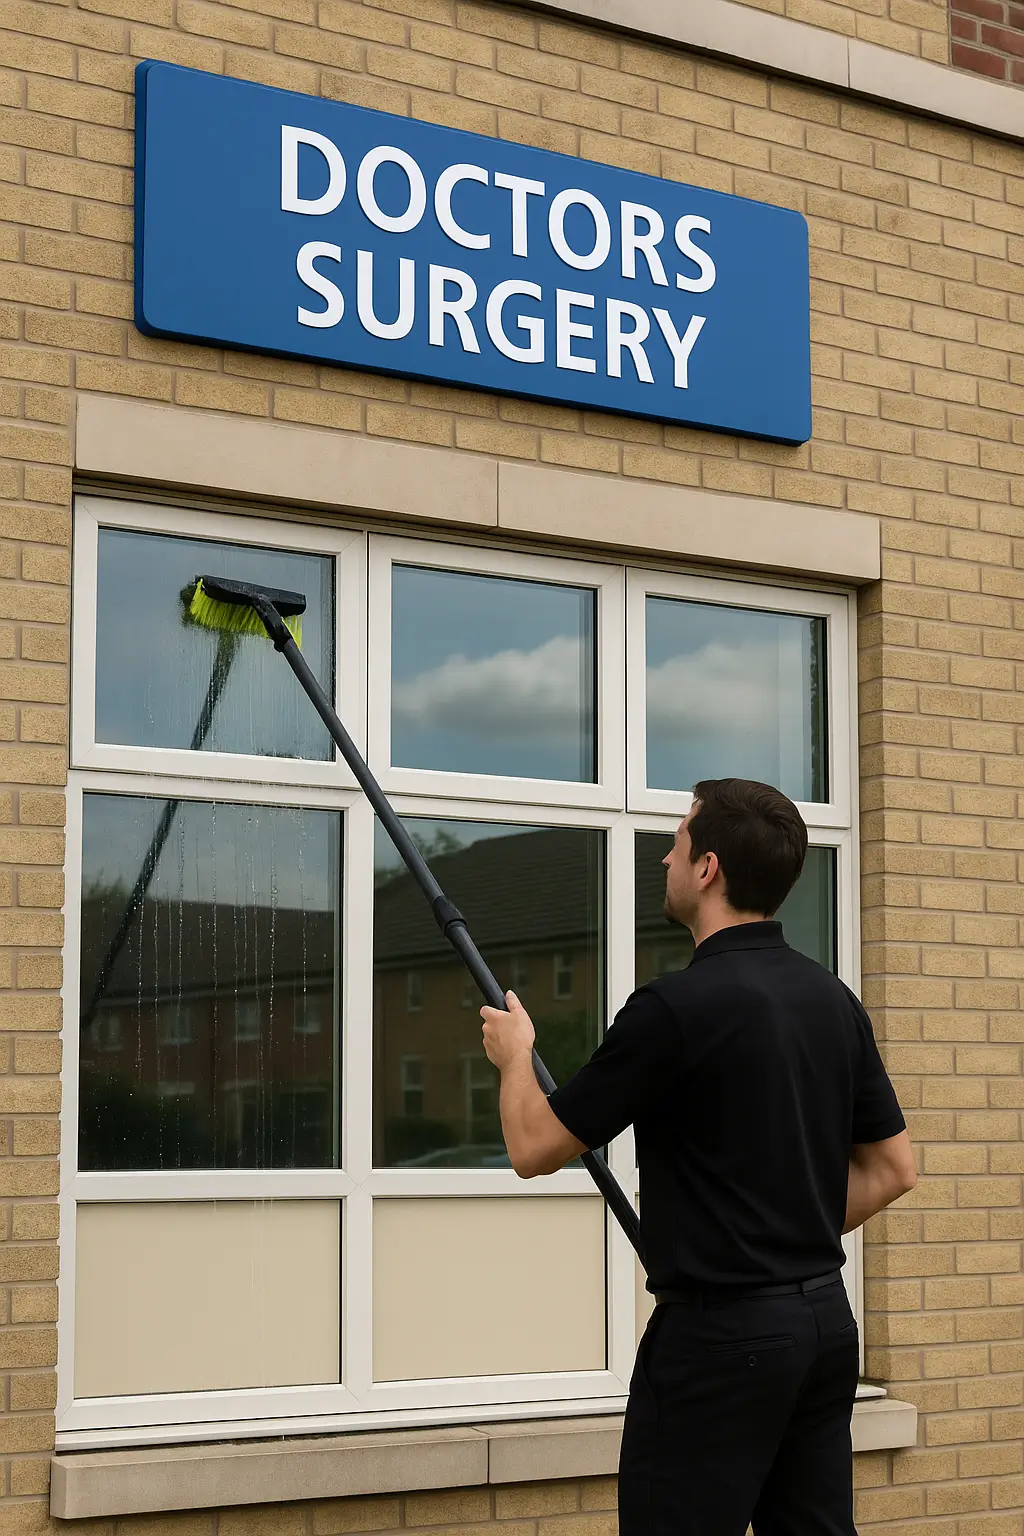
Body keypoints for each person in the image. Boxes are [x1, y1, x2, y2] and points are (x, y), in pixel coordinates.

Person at [480, 777, 916, 1536]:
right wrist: (784, 1233)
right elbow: (892, 1169)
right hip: (822, 1329)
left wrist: (517, 1056)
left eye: (676, 844)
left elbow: (533, 1145)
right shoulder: (832, 1000)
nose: (663, 861)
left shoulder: (674, 1010)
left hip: (722, 1344)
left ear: (708, 867)